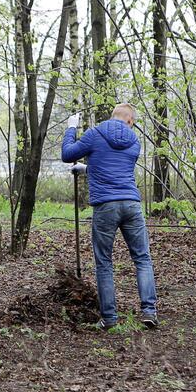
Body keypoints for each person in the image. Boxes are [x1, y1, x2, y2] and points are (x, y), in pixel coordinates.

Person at [61, 103, 159, 330]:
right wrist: (86, 169)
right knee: (142, 258)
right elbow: (117, 170)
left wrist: (71, 129)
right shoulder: (134, 141)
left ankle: (109, 318)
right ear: (130, 121)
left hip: (106, 206)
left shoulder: (95, 134)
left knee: (104, 262)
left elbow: (67, 155)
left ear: (113, 116)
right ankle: (149, 312)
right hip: (132, 205)